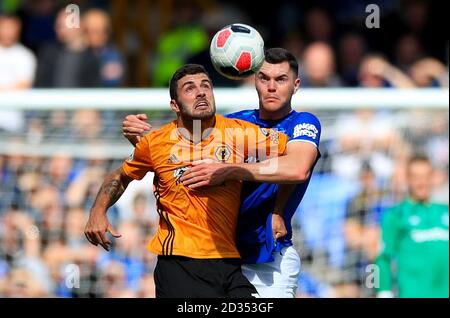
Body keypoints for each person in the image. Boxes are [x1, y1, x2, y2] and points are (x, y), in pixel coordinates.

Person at [122, 48, 322, 297]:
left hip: (268, 259)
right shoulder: (233, 122)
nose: (271, 87)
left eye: (281, 79)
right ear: (253, 81)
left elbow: (297, 168)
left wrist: (275, 206)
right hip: (221, 256)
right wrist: (143, 140)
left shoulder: (302, 123)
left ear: (296, 85)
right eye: (264, 78)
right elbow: (181, 155)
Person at [85, 64, 290, 298]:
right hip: (180, 264)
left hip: (228, 261)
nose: (201, 92)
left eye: (206, 86)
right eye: (189, 88)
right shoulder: (156, 142)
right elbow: (120, 176)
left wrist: (277, 208)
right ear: (175, 105)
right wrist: (98, 211)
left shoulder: (239, 133)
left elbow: (293, 161)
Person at [376, 155, 449, 298]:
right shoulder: (396, 215)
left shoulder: (445, 211)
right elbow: (382, 259)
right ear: (407, 179)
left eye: (426, 176)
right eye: (416, 177)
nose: (422, 182)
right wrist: (383, 292)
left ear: (433, 178)